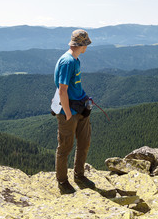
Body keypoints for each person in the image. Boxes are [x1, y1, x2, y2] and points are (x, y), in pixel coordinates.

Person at [53, 29, 95, 194]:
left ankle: (79, 175)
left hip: (79, 106)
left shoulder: (75, 60)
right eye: (86, 44)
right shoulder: (68, 61)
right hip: (68, 111)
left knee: (84, 142)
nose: (87, 47)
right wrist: (68, 113)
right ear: (82, 44)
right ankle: (62, 181)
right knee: (65, 147)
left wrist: (85, 102)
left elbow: (75, 85)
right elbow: (62, 90)